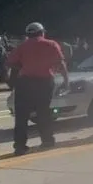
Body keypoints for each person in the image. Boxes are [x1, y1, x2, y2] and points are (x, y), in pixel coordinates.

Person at [6, 22, 67, 155]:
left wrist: (23, 67)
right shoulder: (51, 44)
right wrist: (65, 80)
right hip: (44, 82)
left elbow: (10, 62)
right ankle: (47, 141)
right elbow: (60, 63)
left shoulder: (22, 46)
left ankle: (20, 146)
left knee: (21, 116)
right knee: (43, 112)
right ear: (42, 32)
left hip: (25, 82)